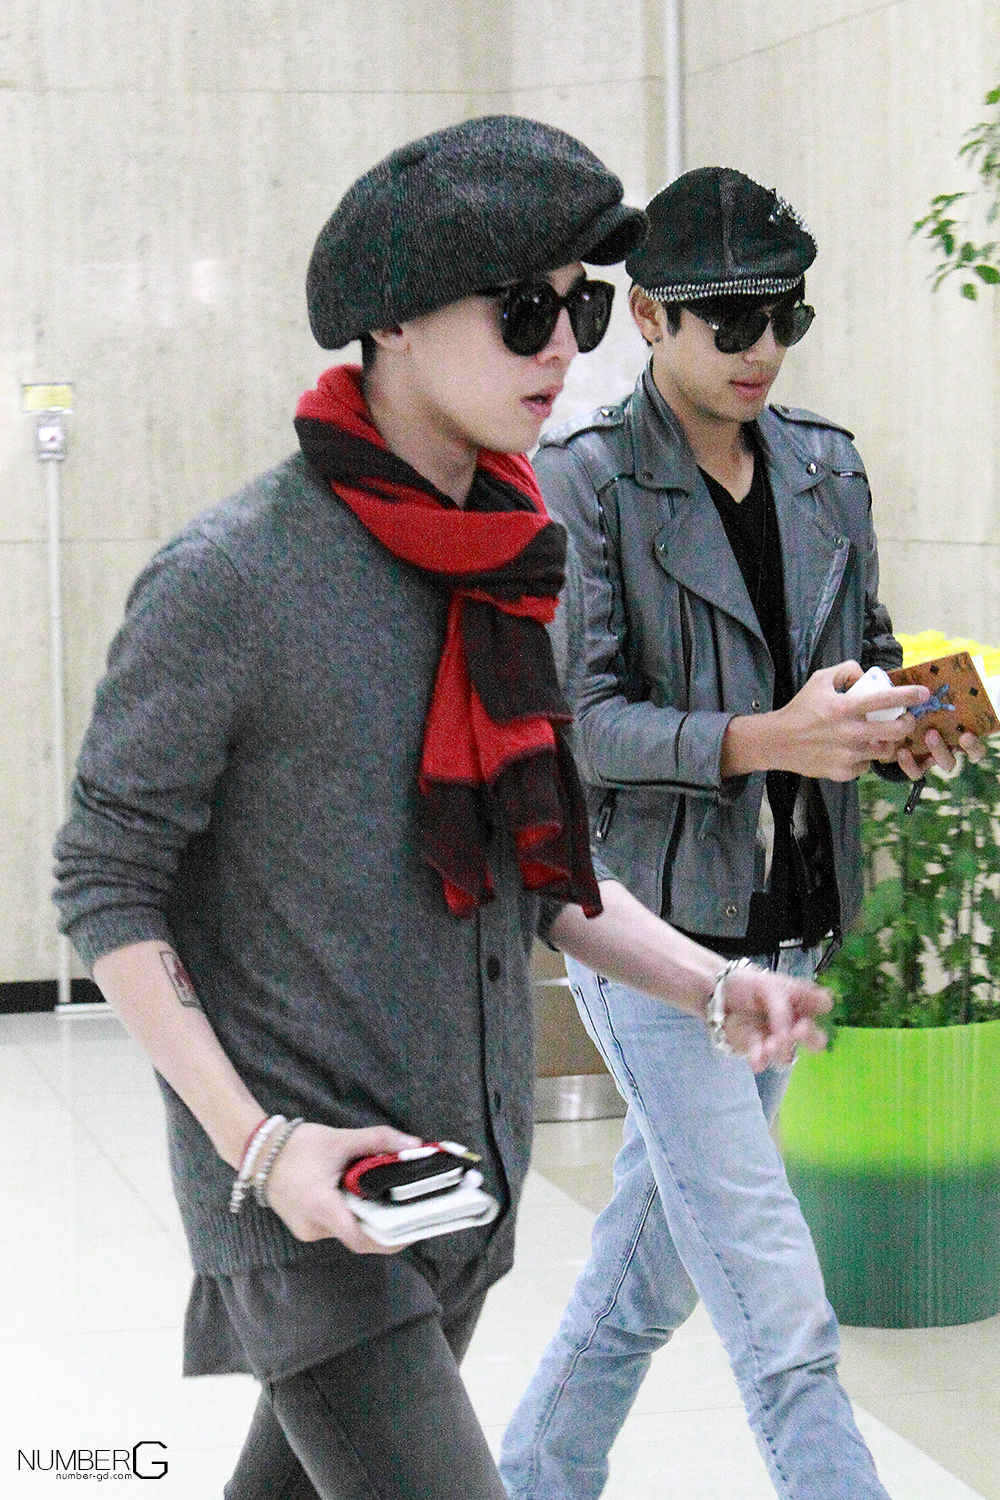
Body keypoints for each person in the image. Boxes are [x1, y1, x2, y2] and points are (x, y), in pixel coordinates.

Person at [52, 128, 831, 1500]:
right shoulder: (234, 578)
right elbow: (103, 883)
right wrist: (263, 1149)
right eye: (525, 311)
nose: (563, 350)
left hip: (452, 1191)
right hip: (310, 1210)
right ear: (394, 323)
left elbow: (549, 870)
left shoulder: (511, 563)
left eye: (582, 309)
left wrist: (712, 984)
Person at [499, 167, 984, 1500]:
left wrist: (899, 725)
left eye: (786, 317)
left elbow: (863, 656)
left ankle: (530, 1478)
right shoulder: (582, 481)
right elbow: (580, 724)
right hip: (654, 934)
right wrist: (770, 738)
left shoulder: (827, 465)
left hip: (794, 919)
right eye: (731, 321)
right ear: (650, 318)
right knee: (779, 1306)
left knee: (649, 1274)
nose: (762, 347)